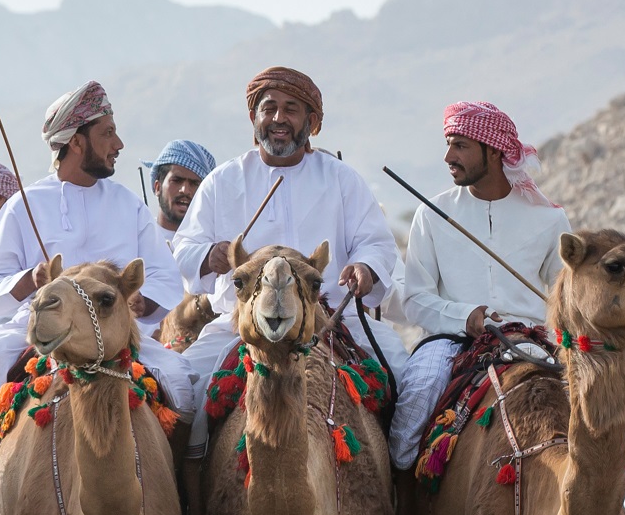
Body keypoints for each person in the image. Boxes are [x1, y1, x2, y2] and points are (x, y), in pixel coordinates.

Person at [170, 67, 405, 451]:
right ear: (254, 118)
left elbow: (376, 243)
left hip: (330, 319)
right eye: (270, 108)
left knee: (402, 374)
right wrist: (206, 256)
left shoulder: (342, 179)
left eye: (291, 109)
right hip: (241, 324)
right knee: (182, 386)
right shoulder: (223, 181)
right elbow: (185, 247)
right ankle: (187, 492)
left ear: (311, 122)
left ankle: (401, 493)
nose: (279, 119)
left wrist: (365, 267)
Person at [0, 82, 192, 444]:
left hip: (116, 332)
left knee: (181, 380)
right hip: (41, 332)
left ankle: (186, 495)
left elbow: (164, 275)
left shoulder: (129, 205)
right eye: (107, 133)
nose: (119, 144)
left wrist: (145, 300)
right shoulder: (25, 205)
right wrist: (28, 281)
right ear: (76, 142)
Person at [385, 101, 569, 469]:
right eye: (448, 144)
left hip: (531, 339)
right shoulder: (432, 214)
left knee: (599, 409)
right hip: (451, 342)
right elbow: (416, 301)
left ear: (494, 150)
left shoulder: (549, 218)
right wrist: (464, 316)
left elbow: (565, 298)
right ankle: (400, 505)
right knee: (417, 397)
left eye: (460, 145)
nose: (448, 156)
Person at [144, 139, 217, 244]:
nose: (185, 191)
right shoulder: (138, 239)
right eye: (176, 181)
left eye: (194, 184)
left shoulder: (212, 247)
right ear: (158, 187)